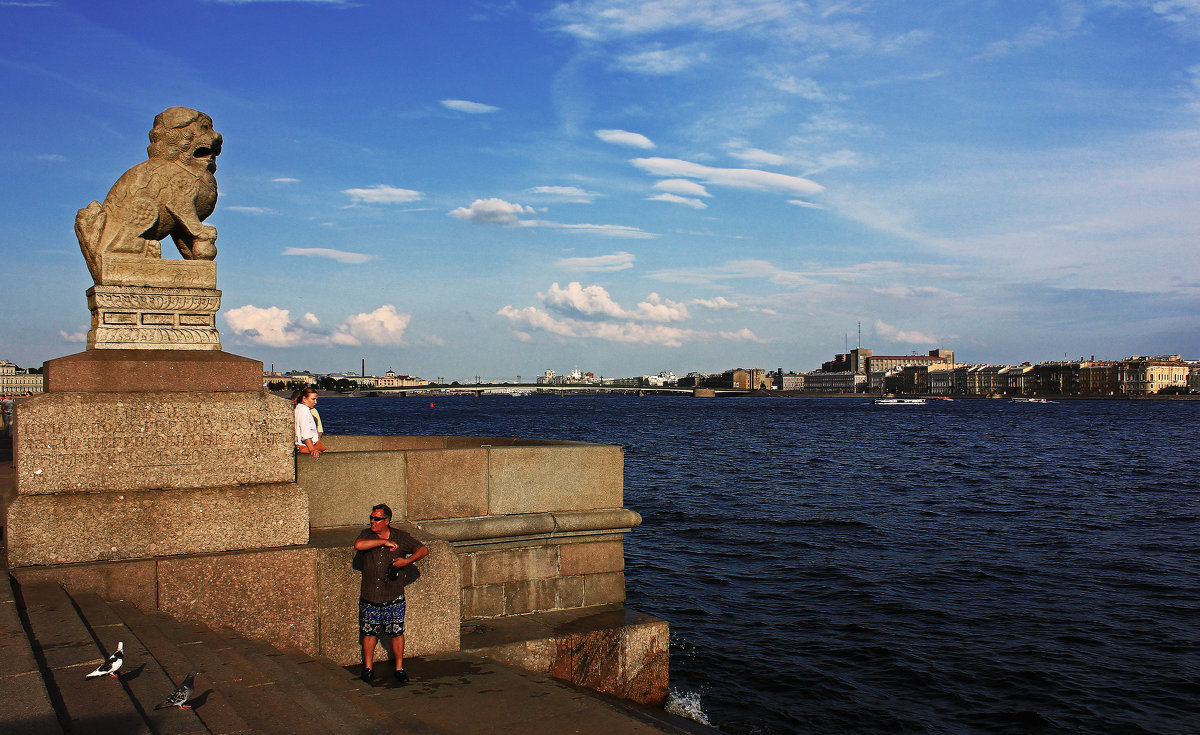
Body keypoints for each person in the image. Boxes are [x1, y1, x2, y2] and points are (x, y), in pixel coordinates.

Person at [353, 503, 428, 684]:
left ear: (387, 521)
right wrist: (382, 542)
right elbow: (358, 545)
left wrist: (407, 561)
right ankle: (368, 668)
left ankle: (399, 667)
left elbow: (423, 549)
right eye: (371, 518)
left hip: (392, 594)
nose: (373, 521)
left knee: (396, 631)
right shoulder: (367, 535)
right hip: (370, 594)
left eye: (377, 519)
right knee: (369, 632)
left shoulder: (400, 537)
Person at [293, 388, 324, 457]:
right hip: (306, 446)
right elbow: (305, 432)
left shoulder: (299, 408)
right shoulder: (304, 410)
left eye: (316, 399)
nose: (315, 402)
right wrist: (312, 449)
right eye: (313, 399)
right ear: (304, 399)